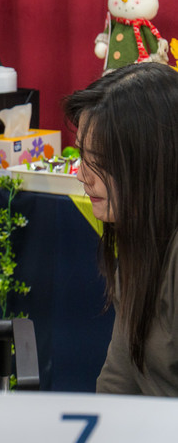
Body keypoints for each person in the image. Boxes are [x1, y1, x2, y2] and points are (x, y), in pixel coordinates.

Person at [62, 62, 178, 395]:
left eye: (98, 160)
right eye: (81, 154)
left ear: (151, 160)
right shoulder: (140, 235)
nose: (82, 175)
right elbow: (119, 374)